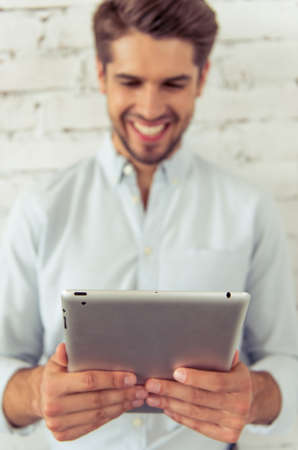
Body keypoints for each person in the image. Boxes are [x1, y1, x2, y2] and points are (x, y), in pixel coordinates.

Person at [0, 0, 297, 449]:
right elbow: (6, 358)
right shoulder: (39, 208)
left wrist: (256, 395)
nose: (151, 108)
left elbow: (286, 357)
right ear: (100, 75)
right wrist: (34, 393)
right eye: (130, 82)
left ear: (203, 78)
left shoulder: (249, 209)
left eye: (173, 83)